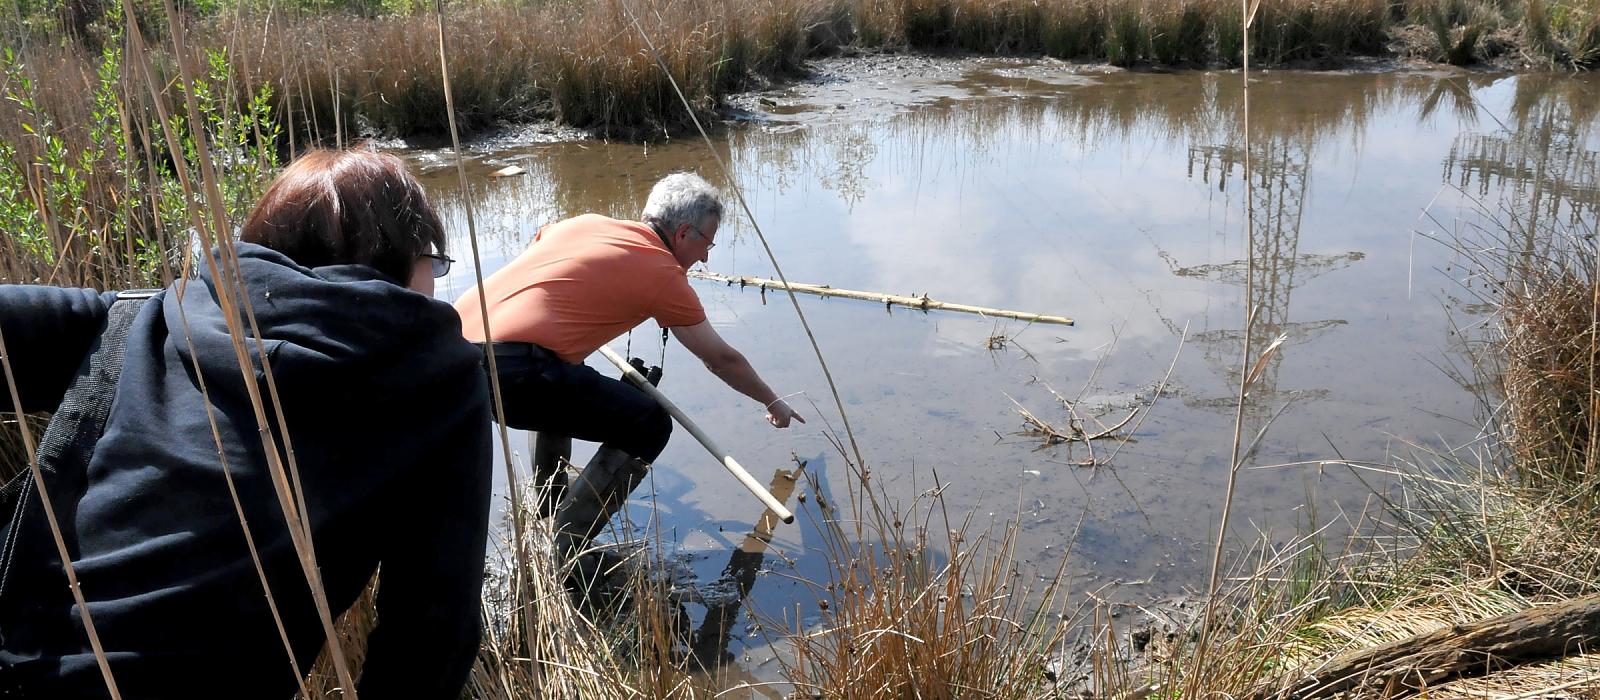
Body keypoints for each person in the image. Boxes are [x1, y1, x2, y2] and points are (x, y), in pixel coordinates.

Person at [0, 150, 492, 699]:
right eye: (435, 262)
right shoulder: (436, 380)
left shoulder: (143, 320)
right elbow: (431, 635)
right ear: (400, 261)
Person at [454, 172, 802, 565]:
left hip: (450, 352)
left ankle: (549, 504)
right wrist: (773, 400)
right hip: (509, 371)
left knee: (563, 362)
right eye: (708, 242)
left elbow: (550, 278)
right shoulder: (663, 275)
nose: (706, 256)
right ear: (684, 232)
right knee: (649, 423)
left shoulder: (584, 223)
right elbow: (720, 360)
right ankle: (565, 549)